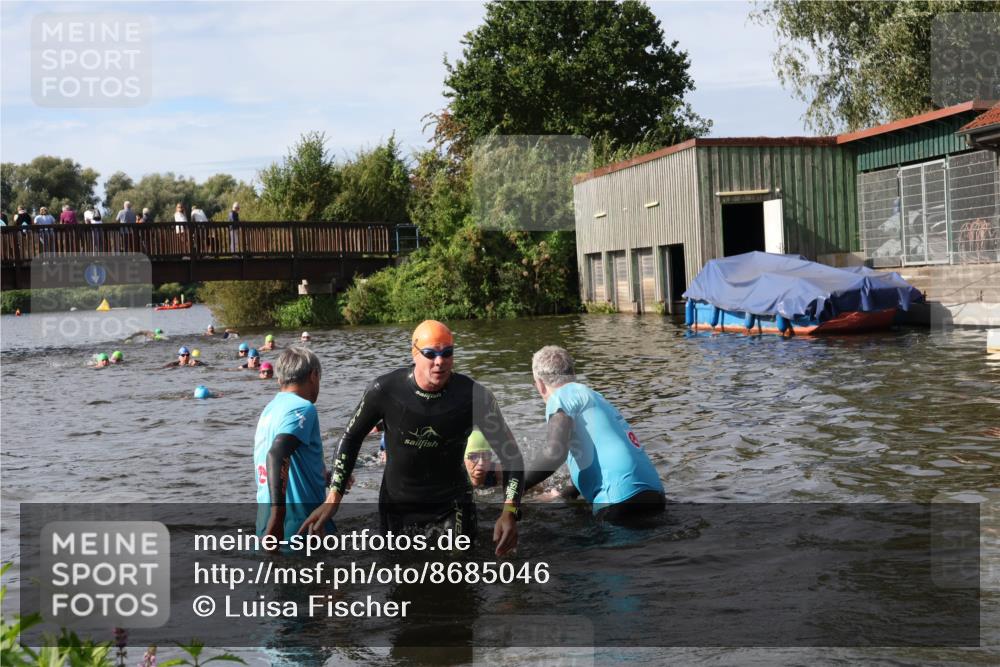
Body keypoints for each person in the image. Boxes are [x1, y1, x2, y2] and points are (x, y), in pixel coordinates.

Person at [299, 320, 524, 556]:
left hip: (452, 504)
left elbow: (512, 456)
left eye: (447, 353)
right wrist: (334, 497)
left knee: (459, 576)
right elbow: (351, 438)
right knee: (399, 580)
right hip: (397, 505)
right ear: (414, 354)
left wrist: (509, 511)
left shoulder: (474, 396)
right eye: (431, 354)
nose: (440, 362)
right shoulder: (384, 390)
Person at [523, 346, 665, 525]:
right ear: (573, 373)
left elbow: (554, 453)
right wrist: (562, 494)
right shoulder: (595, 398)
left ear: (540, 384)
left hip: (618, 501)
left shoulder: (559, 398)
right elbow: (600, 457)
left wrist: (516, 487)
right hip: (655, 495)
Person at [254, 346, 335, 542]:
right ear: (314, 375)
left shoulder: (269, 410)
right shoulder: (303, 408)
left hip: (265, 525)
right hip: (300, 525)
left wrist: (325, 478)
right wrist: (278, 516)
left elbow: (292, 461)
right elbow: (276, 455)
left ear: (281, 378)